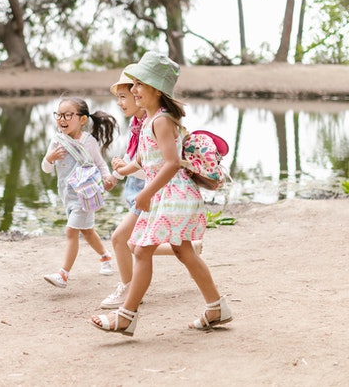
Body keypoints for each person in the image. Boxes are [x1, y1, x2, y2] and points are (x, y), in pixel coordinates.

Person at [90, 51, 232, 336]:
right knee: (183, 251)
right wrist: (122, 171)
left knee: (142, 250)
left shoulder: (161, 121)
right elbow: (145, 160)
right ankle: (216, 306)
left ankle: (126, 316)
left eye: (139, 85)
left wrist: (145, 194)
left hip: (173, 194)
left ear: (156, 88)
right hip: (166, 194)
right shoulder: (151, 120)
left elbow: (171, 163)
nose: (134, 91)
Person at [100, 65, 186, 309]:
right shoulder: (138, 126)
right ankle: (187, 249)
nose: (121, 102)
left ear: (145, 95)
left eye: (125, 96)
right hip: (143, 192)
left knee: (120, 239)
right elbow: (139, 160)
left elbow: (156, 165)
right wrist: (118, 171)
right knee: (136, 245)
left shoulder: (155, 123)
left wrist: (126, 173)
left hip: (152, 193)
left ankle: (128, 292)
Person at [41, 96, 119, 288]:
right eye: (58, 115)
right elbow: (46, 169)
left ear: (82, 119)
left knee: (71, 231)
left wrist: (108, 178)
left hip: (85, 194)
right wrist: (49, 158)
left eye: (68, 115)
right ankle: (105, 256)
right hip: (66, 195)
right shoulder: (56, 141)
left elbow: (100, 164)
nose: (62, 119)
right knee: (87, 231)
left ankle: (63, 274)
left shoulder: (88, 142)